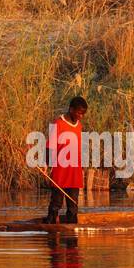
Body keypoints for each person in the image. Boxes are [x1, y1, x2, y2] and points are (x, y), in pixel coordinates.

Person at [44, 96, 87, 224]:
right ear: (71, 109)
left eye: (83, 114)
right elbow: (49, 146)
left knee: (73, 207)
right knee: (56, 203)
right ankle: (51, 229)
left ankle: (72, 239)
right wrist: (45, 164)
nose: (81, 116)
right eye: (79, 113)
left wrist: (82, 168)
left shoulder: (79, 125)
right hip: (61, 170)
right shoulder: (58, 123)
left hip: (74, 171)